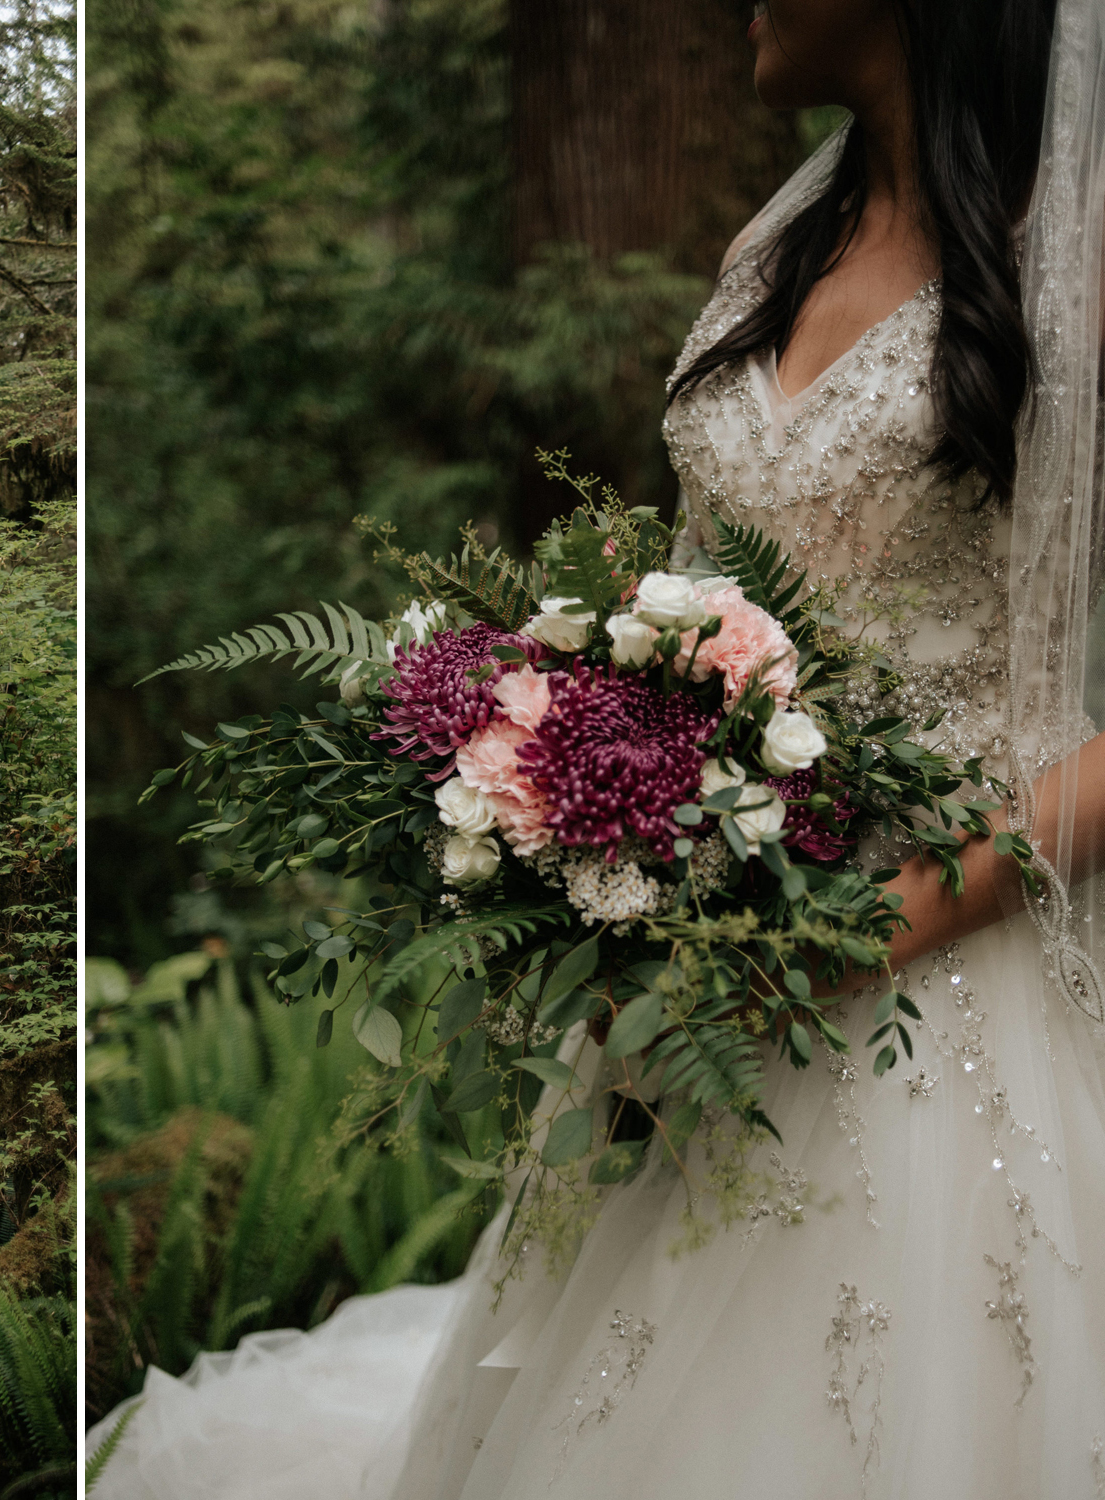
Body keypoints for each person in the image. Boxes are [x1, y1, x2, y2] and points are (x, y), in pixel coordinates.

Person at [86, 1, 1105, 1494]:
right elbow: (701, 596)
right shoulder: (779, 254)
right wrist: (591, 779)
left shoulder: (1069, 258)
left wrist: (882, 921)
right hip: (717, 957)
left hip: (965, 964)